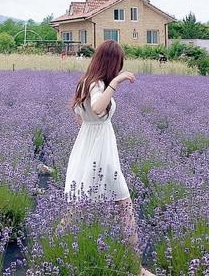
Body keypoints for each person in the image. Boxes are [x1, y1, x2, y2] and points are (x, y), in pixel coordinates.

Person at [64, 40, 155, 276]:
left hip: (88, 149)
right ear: (111, 63)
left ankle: (52, 254)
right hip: (101, 155)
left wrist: (93, 127)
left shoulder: (85, 83)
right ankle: (137, 269)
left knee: (78, 208)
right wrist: (117, 82)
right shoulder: (96, 85)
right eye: (118, 65)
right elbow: (96, 109)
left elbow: (81, 118)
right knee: (124, 206)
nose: (119, 69)